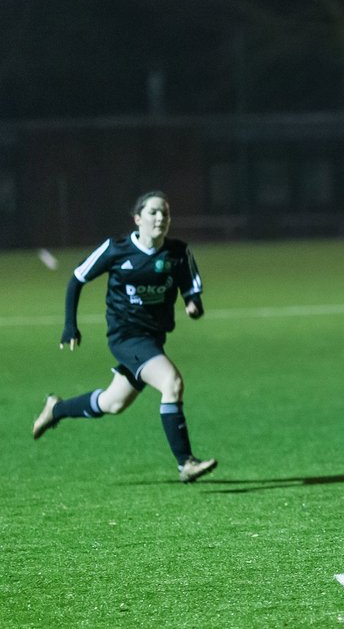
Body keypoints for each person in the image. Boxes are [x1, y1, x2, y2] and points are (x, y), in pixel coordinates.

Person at [32, 190, 217, 483]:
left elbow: (190, 287)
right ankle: (186, 463)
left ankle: (57, 409)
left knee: (113, 403)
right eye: (153, 212)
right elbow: (77, 278)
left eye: (165, 213)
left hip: (153, 339)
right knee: (173, 383)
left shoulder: (178, 253)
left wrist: (193, 304)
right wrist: (70, 325)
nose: (160, 218)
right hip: (126, 337)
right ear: (137, 219)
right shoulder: (116, 249)